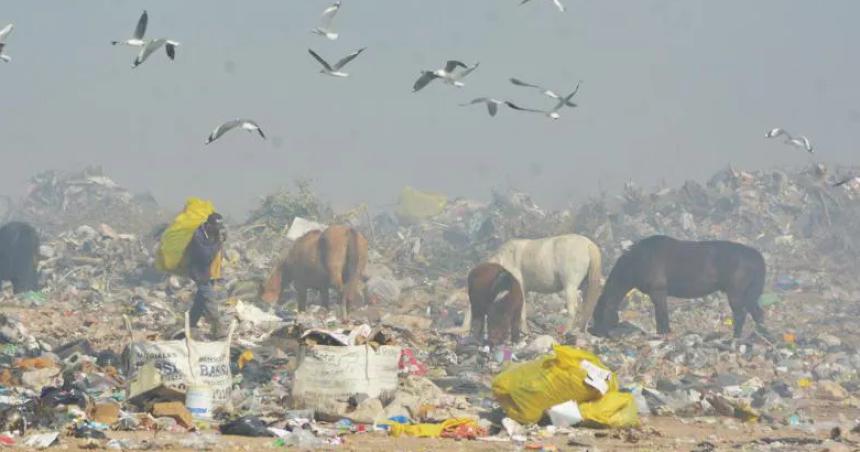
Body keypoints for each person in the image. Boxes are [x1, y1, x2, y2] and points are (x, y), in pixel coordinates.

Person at [186, 213, 227, 337]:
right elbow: (206, 256)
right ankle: (218, 330)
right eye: (215, 227)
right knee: (210, 299)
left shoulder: (214, 233)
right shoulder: (197, 236)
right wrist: (218, 243)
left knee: (201, 300)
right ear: (208, 225)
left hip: (210, 273)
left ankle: (190, 323)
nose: (217, 230)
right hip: (199, 272)